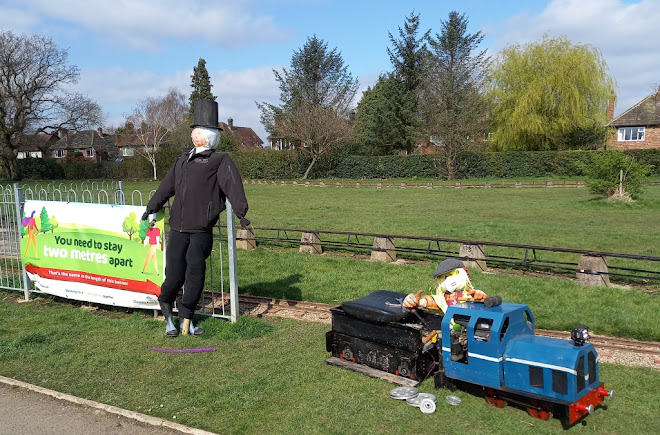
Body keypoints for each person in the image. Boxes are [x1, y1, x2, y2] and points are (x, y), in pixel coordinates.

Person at [143, 99, 250, 337]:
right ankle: (169, 318)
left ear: (207, 137)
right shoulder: (182, 159)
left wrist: (242, 213)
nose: (194, 136)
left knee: (195, 275)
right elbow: (166, 186)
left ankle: (187, 319)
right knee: (174, 274)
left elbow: (234, 187)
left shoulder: (219, 161)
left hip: (201, 229)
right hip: (178, 228)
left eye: (198, 133)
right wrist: (152, 206)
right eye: (194, 133)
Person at [403, 258, 487, 313]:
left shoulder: (468, 294)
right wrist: (414, 301)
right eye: (442, 277)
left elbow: (479, 300)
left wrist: (480, 296)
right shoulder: (442, 298)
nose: (447, 279)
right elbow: (430, 301)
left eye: (451, 274)